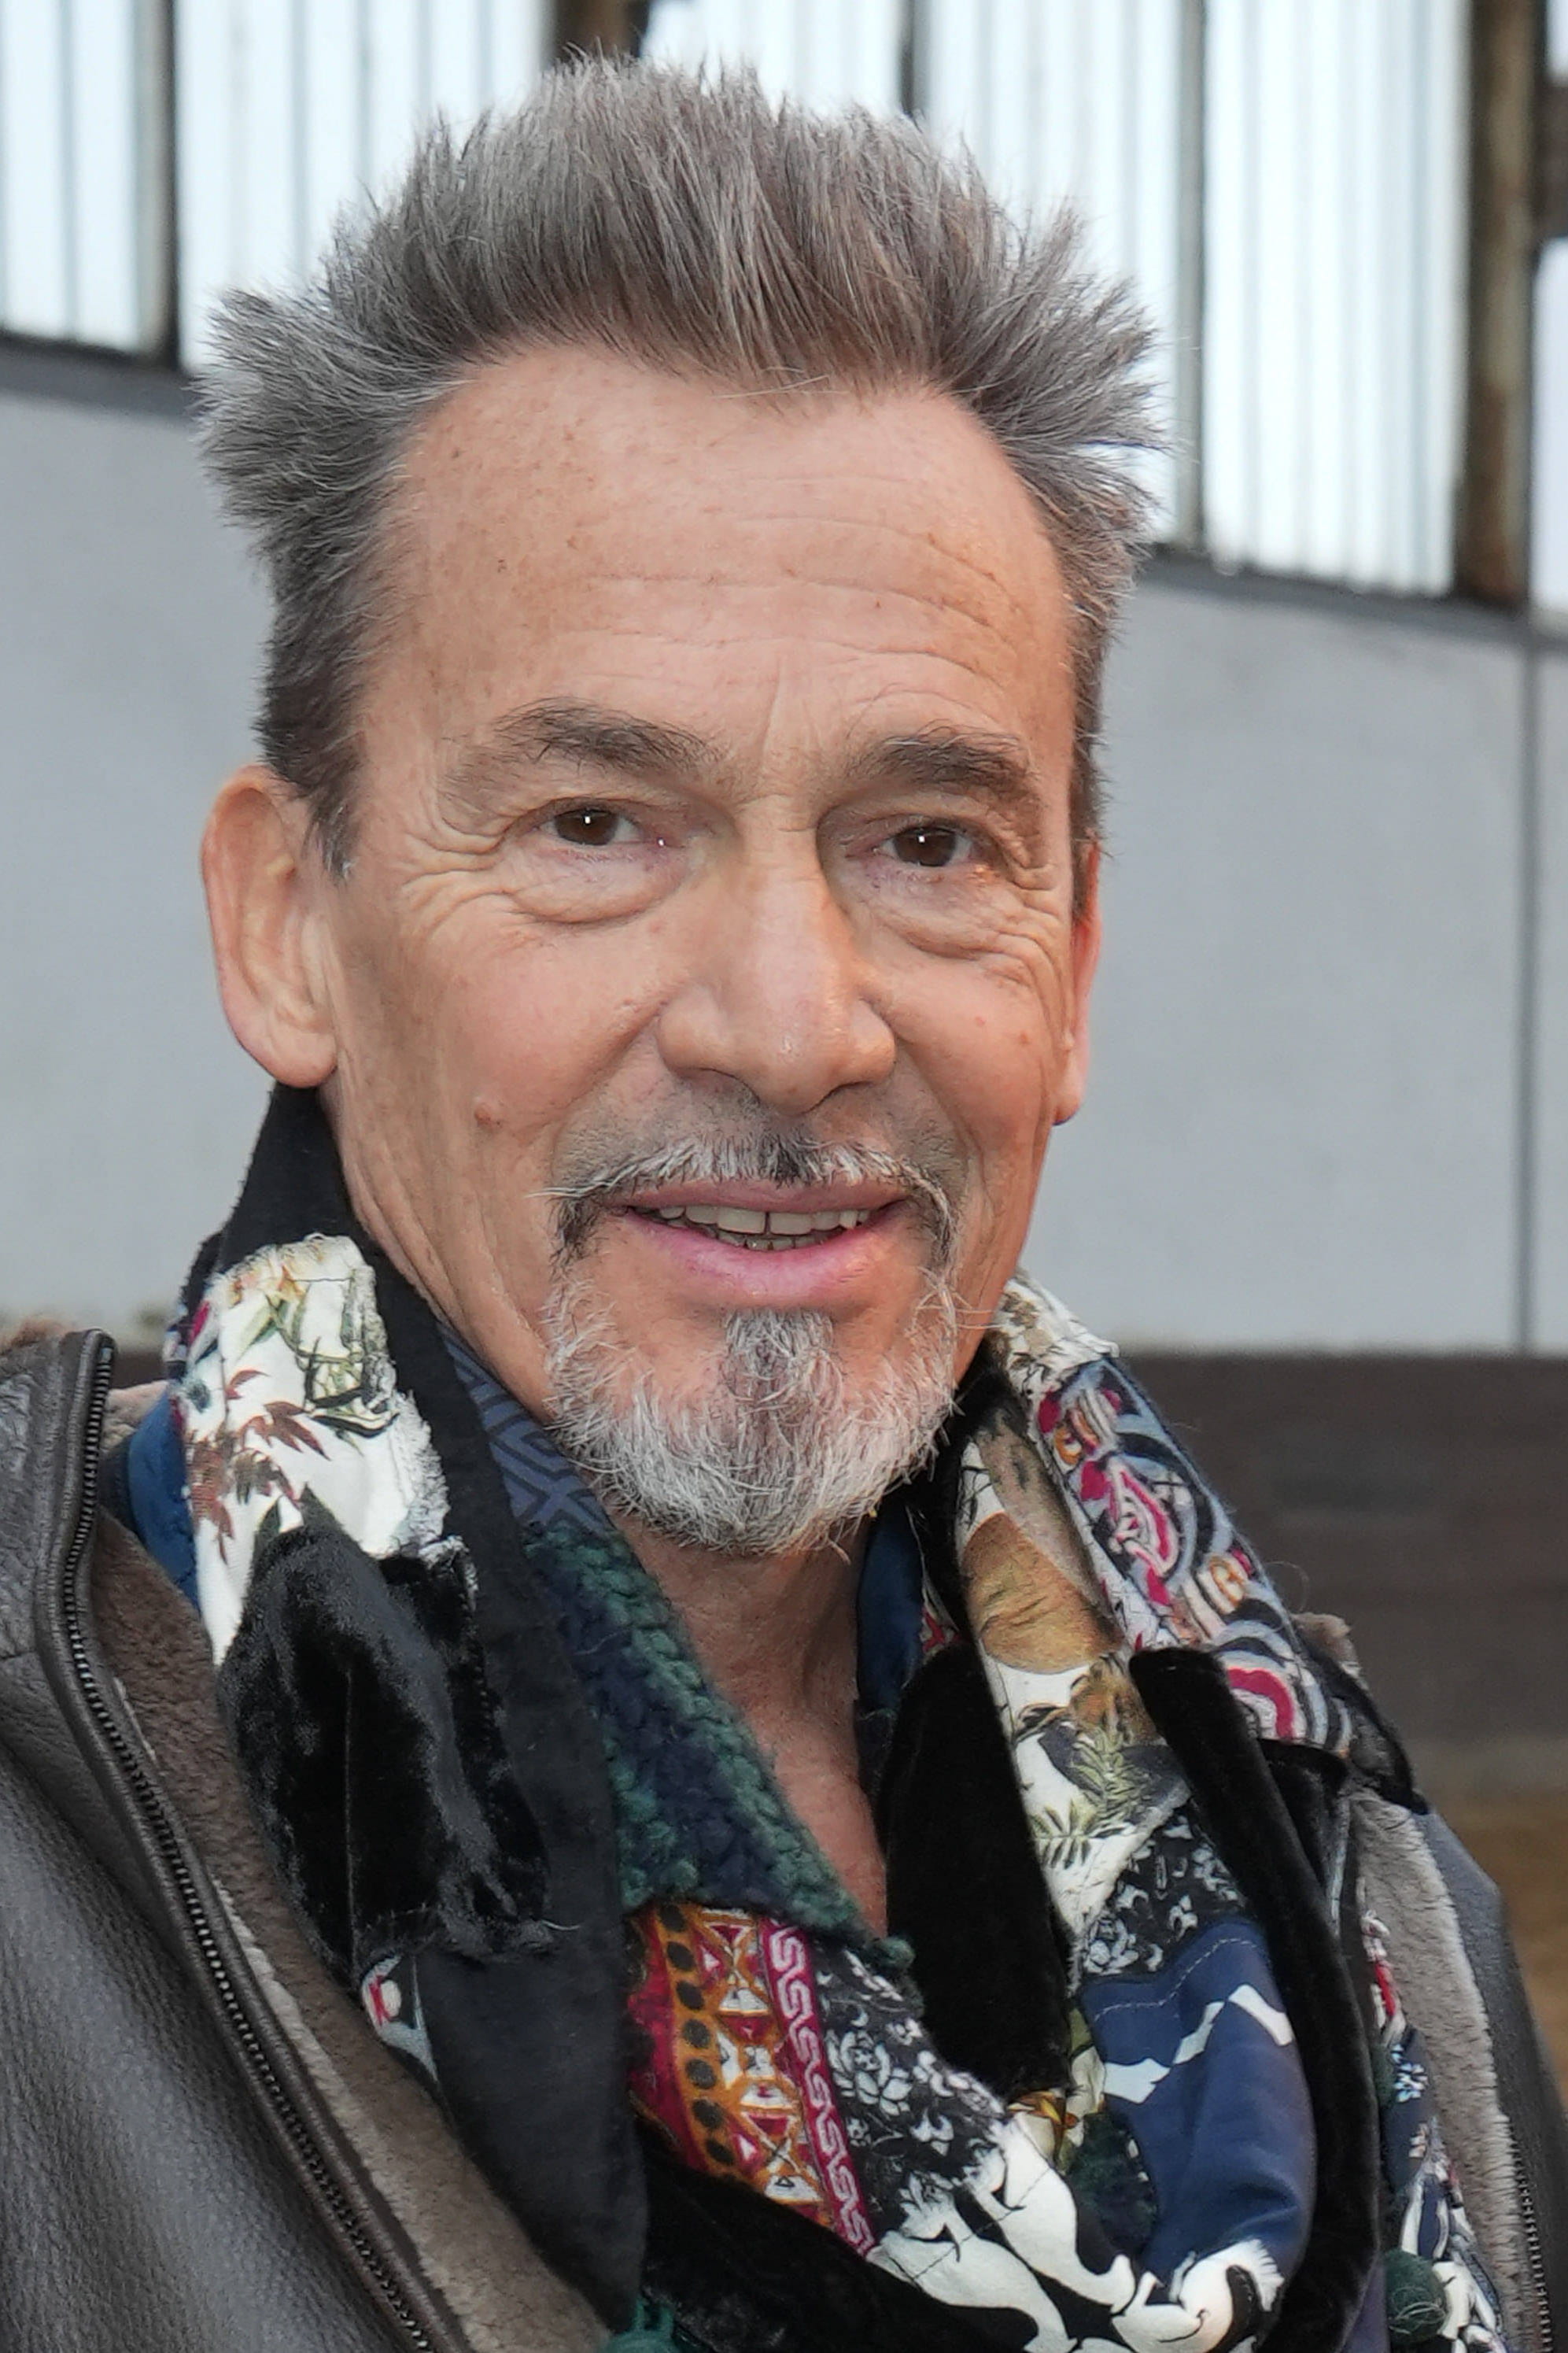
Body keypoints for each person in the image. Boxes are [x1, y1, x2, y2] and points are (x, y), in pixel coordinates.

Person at [2, 60, 1563, 2353]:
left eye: (925, 844)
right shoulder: (48, 1911)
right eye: (595, 826)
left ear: (1069, 966)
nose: (790, 1022)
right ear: (289, 926)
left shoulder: (1369, 1911)